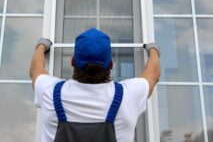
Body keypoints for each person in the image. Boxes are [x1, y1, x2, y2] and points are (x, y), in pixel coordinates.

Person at [30, 28, 160, 142]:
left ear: (72, 62)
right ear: (110, 64)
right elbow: (153, 74)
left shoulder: (51, 93)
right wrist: (153, 50)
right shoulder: (128, 95)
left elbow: (36, 70)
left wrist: (41, 46)